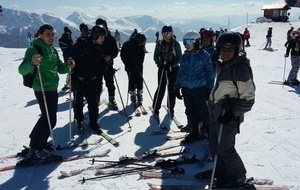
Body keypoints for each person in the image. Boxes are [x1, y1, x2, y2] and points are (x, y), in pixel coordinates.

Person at [196, 32, 255, 189]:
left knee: (225, 149)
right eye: (222, 49)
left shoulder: (240, 68)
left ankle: (238, 176)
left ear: (237, 50)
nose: (226, 52)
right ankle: (222, 172)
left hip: (228, 117)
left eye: (230, 49)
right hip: (217, 114)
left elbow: (248, 99)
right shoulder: (223, 65)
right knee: (213, 146)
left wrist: (231, 113)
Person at [18, 24, 75, 164]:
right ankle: (36, 149)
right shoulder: (34, 49)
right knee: (49, 119)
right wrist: (31, 62)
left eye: (52, 34)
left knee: (47, 118)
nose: (51, 37)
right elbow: (21, 70)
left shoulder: (52, 50)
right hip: (42, 88)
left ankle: (37, 142)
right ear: (41, 35)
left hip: (52, 87)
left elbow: (60, 68)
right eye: (48, 34)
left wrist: (68, 66)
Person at [174, 30, 215, 143]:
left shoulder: (203, 55)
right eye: (184, 42)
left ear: (196, 42)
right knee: (190, 110)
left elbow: (210, 73)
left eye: (188, 42)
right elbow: (181, 72)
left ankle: (210, 132)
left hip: (199, 89)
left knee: (203, 110)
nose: (185, 44)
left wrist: (209, 88)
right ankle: (194, 131)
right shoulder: (184, 57)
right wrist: (177, 87)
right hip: (187, 89)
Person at [71, 25, 107, 133]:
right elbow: (73, 57)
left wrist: (107, 68)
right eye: (101, 37)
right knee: (78, 102)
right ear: (95, 36)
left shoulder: (99, 47)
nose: (103, 39)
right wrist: (71, 66)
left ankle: (93, 121)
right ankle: (79, 120)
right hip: (80, 79)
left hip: (92, 79)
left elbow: (99, 63)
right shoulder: (82, 44)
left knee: (93, 102)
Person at [152, 25, 182, 117]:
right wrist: (159, 63)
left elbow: (179, 57)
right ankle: (156, 108)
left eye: (167, 33)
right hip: (163, 67)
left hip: (173, 68)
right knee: (161, 88)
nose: (165, 35)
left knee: (172, 88)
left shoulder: (175, 44)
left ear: (172, 33)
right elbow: (155, 56)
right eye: (164, 33)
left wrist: (172, 65)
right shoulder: (160, 44)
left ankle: (171, 107)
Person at [95, 18, 119, 110]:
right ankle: (97, 99)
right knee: (97, 84)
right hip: (97, 65)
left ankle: (111, 99)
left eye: (102, 26)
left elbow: (116, 51)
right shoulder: (94, 38)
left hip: (108, 64)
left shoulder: (110, 38)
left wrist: (110, 56)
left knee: (110, 83)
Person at [120, 33, 147, 106]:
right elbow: (123, 56)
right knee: (131, 80)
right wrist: (128, 64)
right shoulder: (127, 44)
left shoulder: (141, 46)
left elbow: (142, 56)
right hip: (130, 66)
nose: (142, 44)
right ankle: (132, 94)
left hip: (138, 66)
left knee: (139, 79)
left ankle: (139, 93)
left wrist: (139, 63)